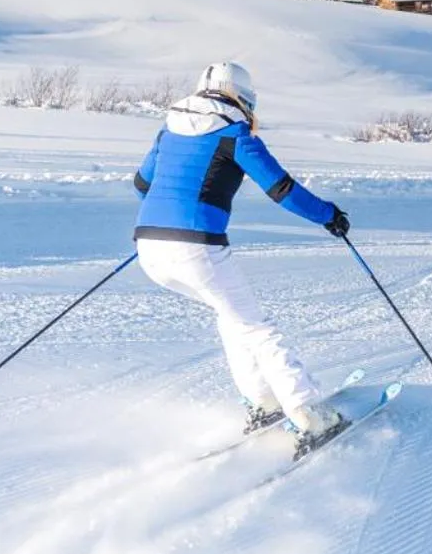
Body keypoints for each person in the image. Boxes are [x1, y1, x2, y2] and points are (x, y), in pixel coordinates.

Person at [132, 61, 351, 441]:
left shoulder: (167, 130)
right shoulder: (234, 135)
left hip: (149, 246)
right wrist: (328, 215)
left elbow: (141, 184)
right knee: (257, 327)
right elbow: (281, 189)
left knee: (232, 317)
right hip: (195, 249)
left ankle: (264, 401)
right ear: (244, 100)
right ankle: (309, 411)